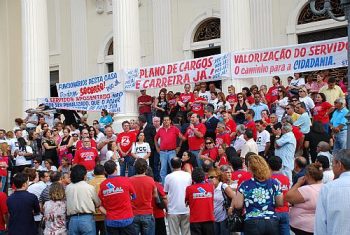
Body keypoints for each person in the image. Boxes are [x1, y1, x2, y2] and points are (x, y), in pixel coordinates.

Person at [234, 155, 283, 235]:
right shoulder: (274, 183)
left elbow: (238, 205)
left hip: (252, 221)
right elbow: (280, 203)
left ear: (251, 168)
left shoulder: (245, 185)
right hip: (271, 221)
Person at [315, 149, 350, 235]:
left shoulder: (328, 188)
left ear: (339, 165)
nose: (332, 167)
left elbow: (320, 225)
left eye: (333, 164)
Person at [98, 160, 136, 234]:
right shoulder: (126, 180)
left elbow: (99, 204)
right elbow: (134, 196)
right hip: (126, 219)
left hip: (111, 221)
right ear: (116, 168)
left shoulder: (103, 185)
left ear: (105, 171)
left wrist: (107, 213)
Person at [286, 163, 323, 235]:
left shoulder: (307, 190)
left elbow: (288, 197)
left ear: (308, 176)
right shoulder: (325, 187)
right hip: (316, 225)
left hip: (303, 227)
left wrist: (298, 183)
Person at [66, 165, 100, 235]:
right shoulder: (89, 187)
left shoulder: (68, 188)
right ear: (84, 175)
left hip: (72, 220)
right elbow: (98, 203)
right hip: (87, 219)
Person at [164, 157, 192, 235]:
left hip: (173, 210)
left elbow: (165, 194)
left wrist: (167, 209)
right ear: (181, 164)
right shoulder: (188, 175)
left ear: (172, 166)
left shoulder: (168, 177)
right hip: (186, 209)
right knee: (186, 233)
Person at [129, 158, 157, 235]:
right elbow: (155, 195)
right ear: (146, 168)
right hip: (147, 212)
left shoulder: (130, 180)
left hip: (133, 213)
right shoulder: (150, 180)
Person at [185, 167, 215, 235]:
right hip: (209, 218)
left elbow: (186, 202)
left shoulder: (189, 188)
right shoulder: (210, 187)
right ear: (204, 176)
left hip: (195, 219)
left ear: (192, 178)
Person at [155, 116, 184, 184]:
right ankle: (164, 186)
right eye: (164, 120)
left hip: (172, 151)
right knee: (163, 170)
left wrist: (179, 146)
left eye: (167, 120)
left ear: (170, 121)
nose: (166, 121)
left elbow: (181, 137)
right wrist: (157, 148)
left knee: (174, 168)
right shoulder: (160, 130)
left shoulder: (174, 129)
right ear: (163, 121)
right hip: (162, 152)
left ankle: (174, 184)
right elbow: (155, 138)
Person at [267, 156, 290, 235]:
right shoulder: (286, 178)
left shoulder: (267, 179)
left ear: (268, 165)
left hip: (272, 211)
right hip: (285, 211)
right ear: (281, 166)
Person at [88, 165, 106, 235]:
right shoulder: (107, 182)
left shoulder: (89, 183)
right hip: (105, 213)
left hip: (93, 214)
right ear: (104, 172)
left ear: (94, 173)